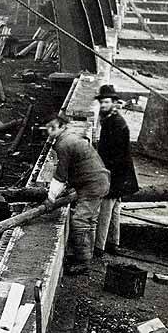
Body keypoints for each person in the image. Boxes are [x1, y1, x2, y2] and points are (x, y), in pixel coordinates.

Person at [43, 113, 110, 275]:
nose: (49, 132)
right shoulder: (71, 138)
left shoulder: (64, 144)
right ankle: (86, 255)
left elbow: (60, 175)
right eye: (48, 128)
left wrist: (51, 198)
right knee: (90, 221)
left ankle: (83, 263)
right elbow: (78, 166)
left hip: (92, 186)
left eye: (53, 128)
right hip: (98, 181)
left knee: (79, 221)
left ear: (62, 127)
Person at [93, 85, 138, 256]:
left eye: (106, 102)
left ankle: (99, 247)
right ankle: (113, 242)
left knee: (105, 210)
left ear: (114, 103)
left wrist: (104, 174)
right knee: (115, 208)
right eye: (101, 102)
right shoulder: (111, 120)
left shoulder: (116, 124)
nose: (103, 105)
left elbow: (115, 155)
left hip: (115, 173)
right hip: (121, 173)